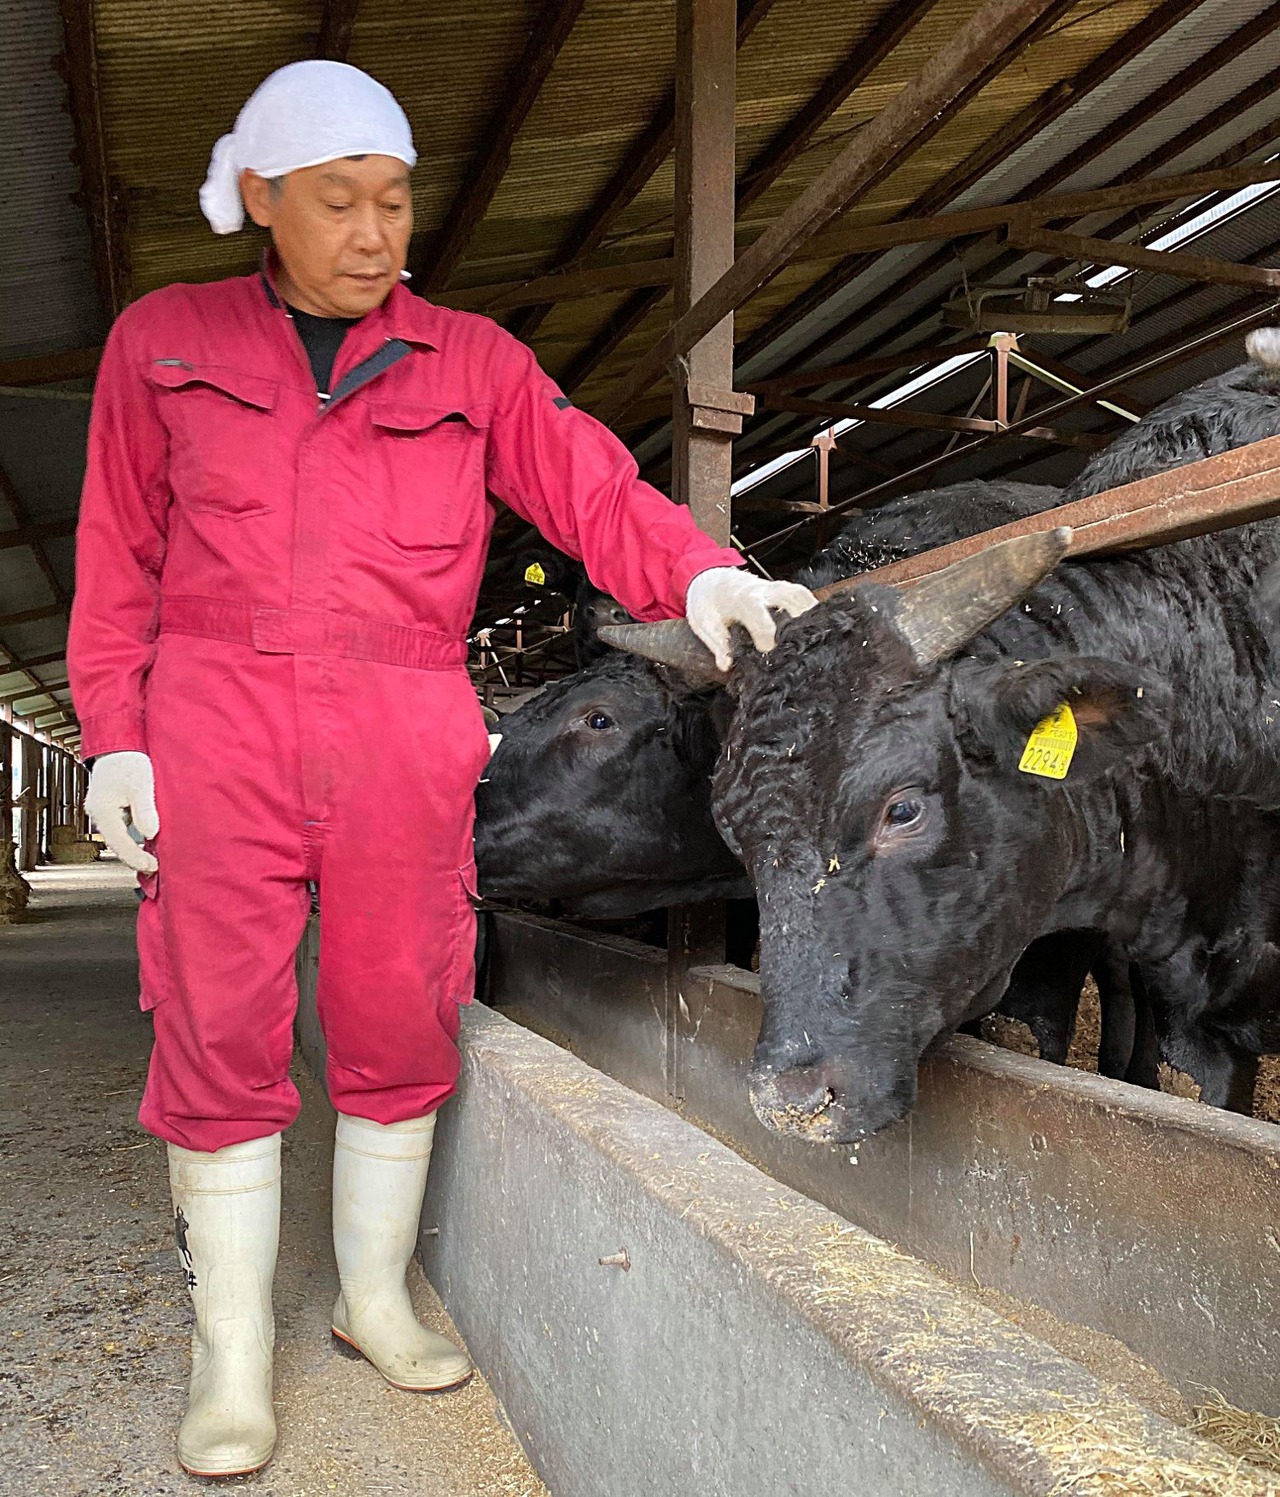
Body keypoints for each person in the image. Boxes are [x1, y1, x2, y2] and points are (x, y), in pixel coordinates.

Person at [67, 60, 816, 1478]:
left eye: (394, 200)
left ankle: (370, 1295)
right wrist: (114, 732)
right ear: (262, 198)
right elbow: (117, 557)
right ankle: (231, 1350)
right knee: (216, 1024)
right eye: (337, 201)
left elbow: (590, 485)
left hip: (404, 713)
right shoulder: (162, 343)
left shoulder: (471, 361)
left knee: (399, 1006)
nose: (373, 232)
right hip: (215, 712)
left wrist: (701, 573)